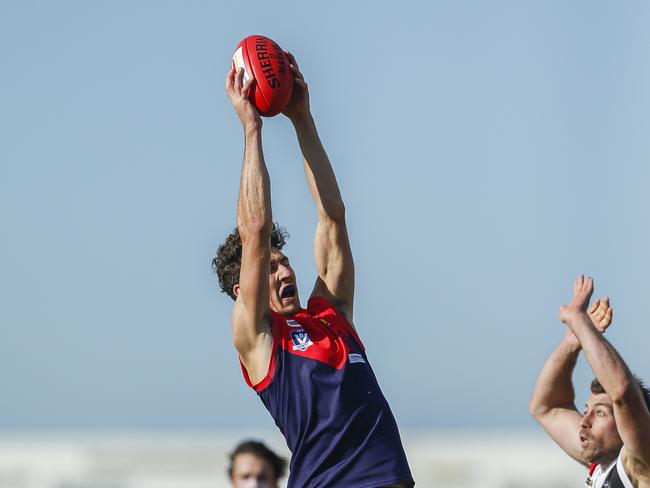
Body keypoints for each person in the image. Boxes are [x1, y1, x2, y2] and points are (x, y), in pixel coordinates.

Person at [213, 53, 413, 487]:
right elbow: (255, 228)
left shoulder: (330, 313)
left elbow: (333, 219)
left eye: (285, 263)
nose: (285, 272)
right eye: (270, 268)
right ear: (241, 289)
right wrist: (253, 129)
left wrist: (302, 118)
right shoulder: (258, 336)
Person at [530, 275, 650, 487]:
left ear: (628, 425)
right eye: (587, 410)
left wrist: (579, 321)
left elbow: (623, 392)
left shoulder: (639, 463)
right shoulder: (601, 465)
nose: (584, 421)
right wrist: (573, 340)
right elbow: (547, 407)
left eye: (601, 413)